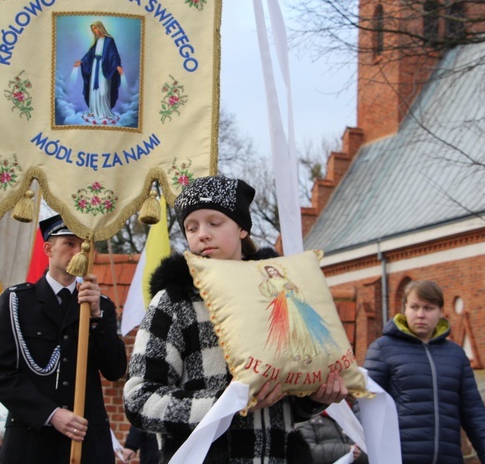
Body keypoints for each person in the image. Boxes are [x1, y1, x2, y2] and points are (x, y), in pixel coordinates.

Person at [124, 175, 348, 462]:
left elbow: (292, 397)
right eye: (191, 228)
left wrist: (316, 398)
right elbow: (139, 399)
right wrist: (225, 405)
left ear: (242, 228)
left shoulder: (280, 293)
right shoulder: (173, 302)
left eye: (214, 223)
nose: (201, 234)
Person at [0, 214, 127, 464]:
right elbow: (1, 375)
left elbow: (115, 369)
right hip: (32, 438)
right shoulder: (17, 301)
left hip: (86, 439)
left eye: (84, 245)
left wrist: (95, 319)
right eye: (70, 244)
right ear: (48, 249)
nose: (78, 252)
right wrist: (51, 414)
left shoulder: (100, 303)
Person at [363, 280, 485, 463]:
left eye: (428, 308)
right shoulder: (383, 349)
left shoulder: (455, 355)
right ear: (405, 309)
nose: (420, 314)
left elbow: (474, 414)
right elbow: (366, 406)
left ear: (440, 312)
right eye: (414, 307)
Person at [73, 20, 123, 122]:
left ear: (100, 27)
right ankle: (94, 111)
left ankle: (104, 112)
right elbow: (90, 54)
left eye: (95, 28)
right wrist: (81, 62)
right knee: (93, 89)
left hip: (105, 68)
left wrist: (117, 66)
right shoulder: (96, 41)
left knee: (103, 89)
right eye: (93, 29)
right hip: (95, 66)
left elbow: (114, 55)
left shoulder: (109, 40)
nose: (95, 31)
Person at [296, 411, 368, 463]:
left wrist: (358, 454)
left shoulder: (349, 417)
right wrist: (346, 450)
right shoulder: (305, 419)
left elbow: (369, 454)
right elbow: (306, 452)